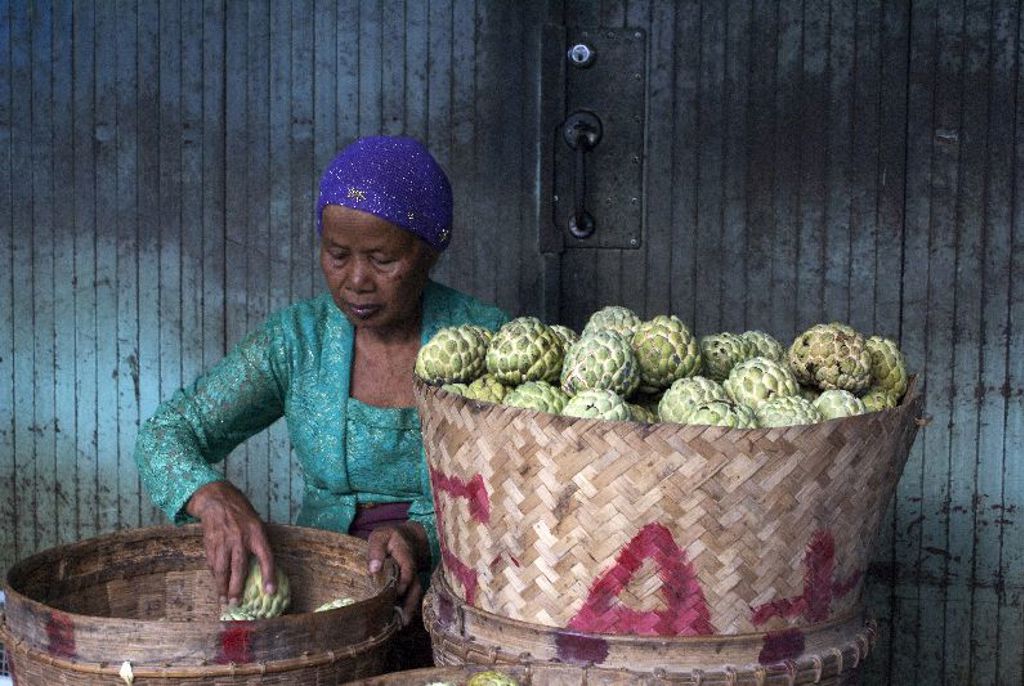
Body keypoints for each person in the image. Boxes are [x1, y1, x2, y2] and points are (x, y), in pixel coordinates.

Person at [134, 136, 507, 663]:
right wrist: (210, 494)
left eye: (382, 259)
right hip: (323, 616)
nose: (356, 280)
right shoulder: (297, 342)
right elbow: (166, 433)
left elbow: (529, 492)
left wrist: (423, 537)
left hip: (463, 609)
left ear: (430, 250)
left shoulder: (489, 343)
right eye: (337, 255)